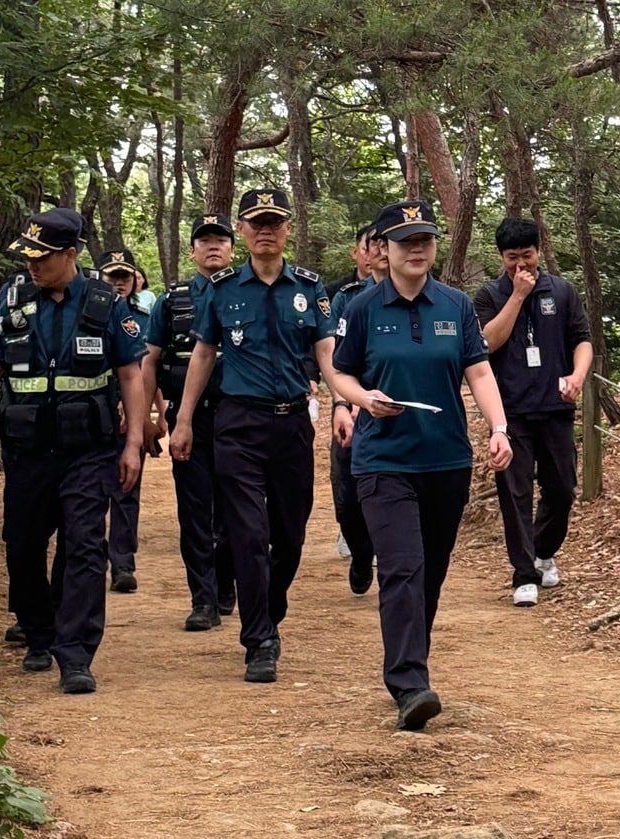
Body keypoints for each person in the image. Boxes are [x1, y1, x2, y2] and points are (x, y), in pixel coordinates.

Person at [330, 199, 513, 731]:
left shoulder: (455, 306)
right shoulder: (362, 308)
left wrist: (499, 429)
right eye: (405, 241)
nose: (416, 249)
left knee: (430, 572)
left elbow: (478, 372)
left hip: (446, 459)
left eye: (425, 240)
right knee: (402, 568)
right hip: (383, 459)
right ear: (383, 250)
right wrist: (362, 399)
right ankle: (409, 681)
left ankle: (413, 662)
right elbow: (338, 374)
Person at [0, 208, 147, 694]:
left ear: (70, 254)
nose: (32, 265)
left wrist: (132, 445)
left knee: (85, 546)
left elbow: (130, 375)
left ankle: (76, 655)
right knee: (22, 545)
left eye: (41, 257)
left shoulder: (106, 301)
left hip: (89, 450)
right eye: (28, 256)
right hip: (27, 451)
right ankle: (39, 633)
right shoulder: (14, 298)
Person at [169, 187, 338, 683]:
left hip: (290, 426)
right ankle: (259, 639)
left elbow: (327, 354)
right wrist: (183, 420)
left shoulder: (311, 287)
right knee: (247, 533)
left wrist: (346, 401)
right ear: (242, 231)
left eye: (274, 222)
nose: (265, 230)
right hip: (237, 424)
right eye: (255, 223)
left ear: (288, 229)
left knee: (289, 534)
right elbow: (203, 354)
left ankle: (270, 603)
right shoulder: (222, 289)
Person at [474, 217, 593, 608]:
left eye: (527, 255)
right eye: (512, 257)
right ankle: (523, 574)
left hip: (556, 408)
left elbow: (582, 341)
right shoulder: (489, 295)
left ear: (539, 251)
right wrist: (517, 296)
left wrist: (577, 375)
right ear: (501, 257)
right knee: (516, 494)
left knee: (562, 489)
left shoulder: (561, 292)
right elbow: (487, 343)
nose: (521, 264)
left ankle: (543, 552)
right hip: (511, 414)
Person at [142, 215, 239, 630]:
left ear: (233, 248)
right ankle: (202, 599)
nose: (213, 246)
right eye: (205, 240)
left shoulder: (246, 293)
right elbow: (149, 359)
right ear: (193, 250)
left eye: (221, 239)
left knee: (238, 510)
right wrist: (143, 417)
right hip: (188, 420)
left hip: (240, 419)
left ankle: (227, 580)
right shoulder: (173, 300)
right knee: (195, 511)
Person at [328, 223, 386, 595]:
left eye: (387, 242)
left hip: (399, 417)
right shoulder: (347, 299)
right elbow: (335, 362)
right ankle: (362, 553)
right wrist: (341, 405)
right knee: (347, 498)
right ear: (361, 252)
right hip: (352, 411)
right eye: (373, 244)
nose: (380, 250)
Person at [98, 248, 153, 594]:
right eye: (112, 277)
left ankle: (122, 563)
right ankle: (90, 560)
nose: (119, 283)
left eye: (125, 277)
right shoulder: (87, 313)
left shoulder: (146, 316)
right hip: (94, 410)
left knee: (126, 488)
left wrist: (150, 416)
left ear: (135, 280)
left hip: (130, 412)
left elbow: (149, 369)